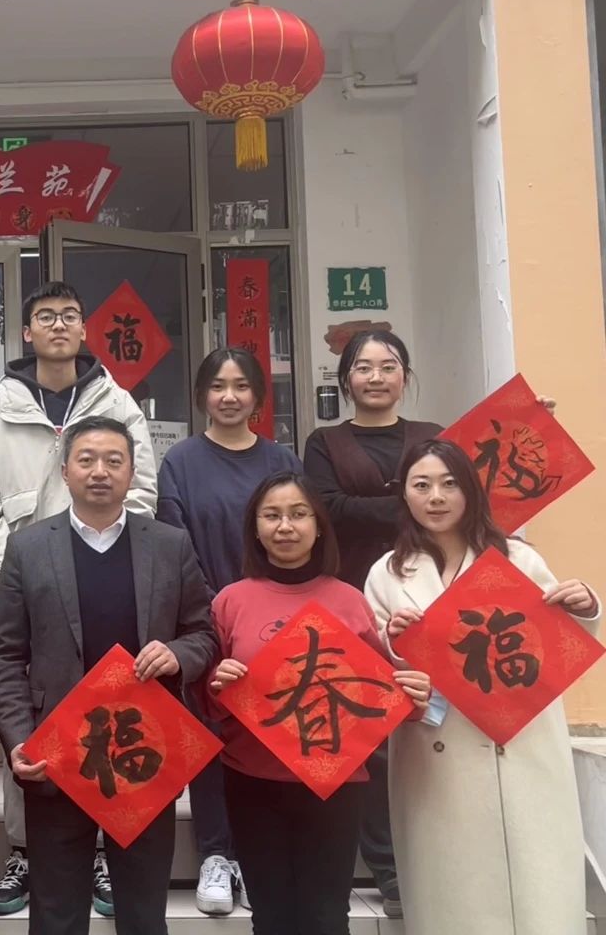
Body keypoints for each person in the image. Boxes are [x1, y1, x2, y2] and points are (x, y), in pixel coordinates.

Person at [0, 282, 158, 918]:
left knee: (107, 708)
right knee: (31, 706)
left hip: (106, 570)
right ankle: (25, 848)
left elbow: (140, 483)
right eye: (45, 317)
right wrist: (3, 563)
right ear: (27, 332)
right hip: (27, 578)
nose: (57, 326)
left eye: (69, 315)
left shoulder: (114, 401)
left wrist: (122, 551)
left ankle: (100, 848)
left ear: (83, 328)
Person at [0, 416, 218, 935]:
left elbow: (203, 633)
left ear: (132, 472)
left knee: (143, 911)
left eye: (114, 461)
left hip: (142, 751)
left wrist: (178, 653)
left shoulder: (170, 544)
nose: (100, 472)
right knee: (56, 913)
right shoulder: (28, 547)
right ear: (64, 471)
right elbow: (4, 654)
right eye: (86, 460)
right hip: (57, 752)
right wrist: (19, 739)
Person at [365, 438, 599, 935]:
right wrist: (393, 643)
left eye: (449, 484)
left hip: (521, 749)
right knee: (455, 896)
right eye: (421, 485)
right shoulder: (387, 573)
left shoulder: (516, 558)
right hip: (437, 757)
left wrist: (585, 605)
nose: (436, 497)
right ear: (403, 494)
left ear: (471, 490)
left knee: (536, 896)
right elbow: (374, 672)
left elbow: (558, 641)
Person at [208, 472, 430, 935]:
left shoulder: (349, 600)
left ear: (319, 525)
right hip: (252, 780)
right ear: (255, 528)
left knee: (327, 918)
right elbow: (208, 701)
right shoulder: (230, 601)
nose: (285, 526)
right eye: (271, 515)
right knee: (270, 918)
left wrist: (411, 695)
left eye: (298, 514)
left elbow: (376, 694)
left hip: (336, 783)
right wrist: (217, 684)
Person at [156, 347, 301, 916]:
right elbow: (176, 543)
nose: (230, 396)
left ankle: (263, 851)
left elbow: (297, 531)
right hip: (209, 616)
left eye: (241, 386)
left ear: (258, 396)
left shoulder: (281, 459)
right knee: (213, 730)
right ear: (202, 395)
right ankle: (217, 854)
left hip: (278, 619)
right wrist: (220, 606)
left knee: (271, 730)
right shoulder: (181, 462)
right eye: (218, 385)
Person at [301, 329, 439, 915]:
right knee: (370, 736)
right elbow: (328, 510)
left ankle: (435, 855)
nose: (376, 377)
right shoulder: (324, 442)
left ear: (405, 374)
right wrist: (410, 504)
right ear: (346, 379)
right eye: (364, 367)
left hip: (429, 597)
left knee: (433, 727)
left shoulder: (432, 436)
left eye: (388, 365)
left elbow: (465, 499)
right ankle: (388, 869)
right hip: (351, 599)